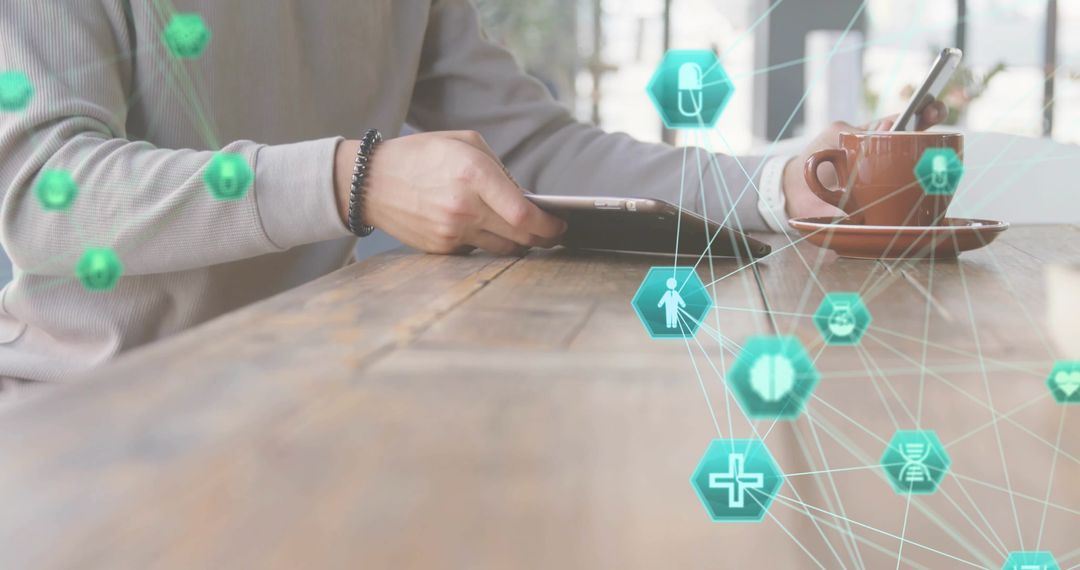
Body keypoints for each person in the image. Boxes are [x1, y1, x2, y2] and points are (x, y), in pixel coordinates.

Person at [0, 1, 945, 393]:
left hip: (298, 399)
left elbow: (528, 145)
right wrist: (349, 178)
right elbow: (45, 194)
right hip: (88, 411)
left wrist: (769, 184)